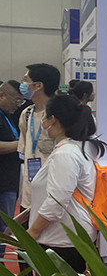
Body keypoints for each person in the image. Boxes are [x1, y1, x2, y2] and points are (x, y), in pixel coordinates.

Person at [27, 95, 107, 273]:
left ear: (53, 120)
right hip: (69, 236)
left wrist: (32, 232)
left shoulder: (66, 154)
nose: (43, 121)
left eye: (45, 116)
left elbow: (57, 201)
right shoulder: (79, 148)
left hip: (61, 239)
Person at [17, 63, 61, 220]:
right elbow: (25, 151)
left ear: (38, 86)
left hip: (53, 192)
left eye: (25, 80)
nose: (23, 85)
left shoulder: (60, 116)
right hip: (29, 193)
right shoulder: (26, 114)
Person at [0, 81, 24, 231]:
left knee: (6, 227)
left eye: (21, 101)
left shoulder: (7, 116)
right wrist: (21, 144)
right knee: (4, 228)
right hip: (3, 183)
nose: (18, 105)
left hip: (9, 181)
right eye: (16, 100)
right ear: (2, 95)